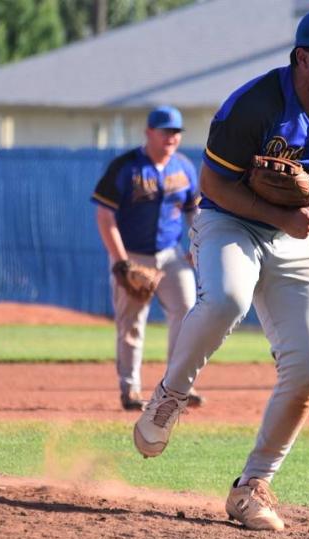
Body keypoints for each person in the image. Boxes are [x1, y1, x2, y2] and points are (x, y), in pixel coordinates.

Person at [132, 8, 309, 530]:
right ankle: (171, 394)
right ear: (303, 58)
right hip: (228, 221)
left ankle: (252, 486)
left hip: (292, 234)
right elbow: (213, 186)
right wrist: (284, 215)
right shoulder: (254, 105)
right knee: (226, 299)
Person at [91, 106, 205, 411]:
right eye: (165, 130)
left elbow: (194, 211)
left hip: (170, 255)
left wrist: (197, 246)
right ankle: (130, 391)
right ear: (149, 132)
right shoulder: (126, 167)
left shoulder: (183, 167)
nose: (171, 136)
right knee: (131, 323)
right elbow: (104, 215)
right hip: (134, 256)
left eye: (176, 131)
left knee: (188, 314)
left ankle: (179, 386)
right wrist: (120, 261)